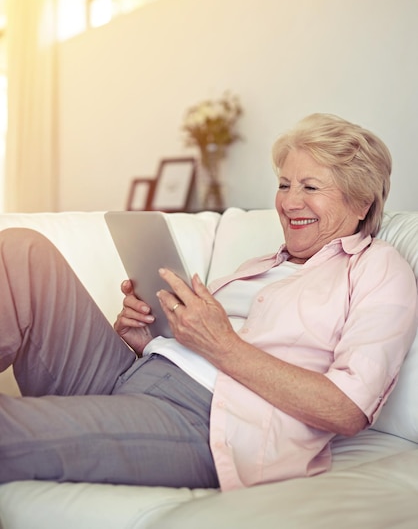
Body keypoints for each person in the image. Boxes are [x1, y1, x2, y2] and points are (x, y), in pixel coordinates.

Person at [0, 113, 416, 491]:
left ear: (361, 202)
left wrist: (220, 344)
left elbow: (348, 409)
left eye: (310, 187)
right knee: (21, 252)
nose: (289, 202)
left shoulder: (378, 269)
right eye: (285, 185)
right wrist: (147, 339)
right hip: (132, 375)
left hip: (205, 420)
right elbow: (200, 346)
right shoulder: (262, 265)